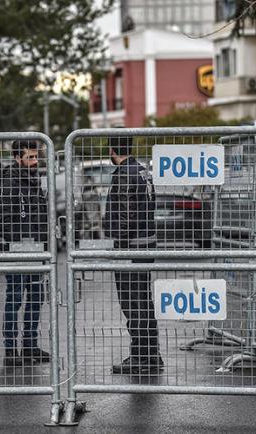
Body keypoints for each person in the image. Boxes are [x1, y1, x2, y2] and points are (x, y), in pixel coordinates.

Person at [103, 136, 163, 374]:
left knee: (133, 304)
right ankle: (151, 354)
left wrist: (121, 243)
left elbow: (127, 215)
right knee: (143, 303)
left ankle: (140, 357)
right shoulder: (141, 170)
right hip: (145, 244)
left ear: (112, 149)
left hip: (132, 247)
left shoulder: (125, 173)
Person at [0, 140, 50, 367]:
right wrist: (15, 243)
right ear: (17, 158)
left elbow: (39, 215)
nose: (35, 161)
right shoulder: (10, 180)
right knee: (15, 297)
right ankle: (11, 350)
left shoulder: (34, 179)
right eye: (30, 157)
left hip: (35, 248)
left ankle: (29, 346)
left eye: (36, 157)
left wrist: (43, 243)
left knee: (36, 297)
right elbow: (4, 217)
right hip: (19, 248)